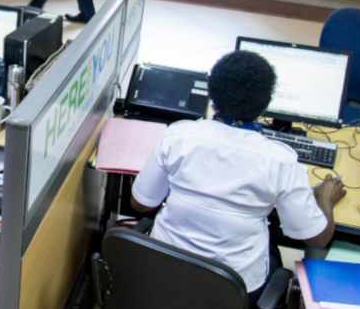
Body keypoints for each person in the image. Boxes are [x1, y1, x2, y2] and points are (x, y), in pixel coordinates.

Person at [130, 50, 345, 307]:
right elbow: (317, 238)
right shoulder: (279, 161)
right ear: (265, 103)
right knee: (272, 250)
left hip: (164, 275)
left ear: (211, 95)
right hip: (233, 291)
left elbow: (140, 205)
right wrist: (325, 200)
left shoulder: (178, 137)